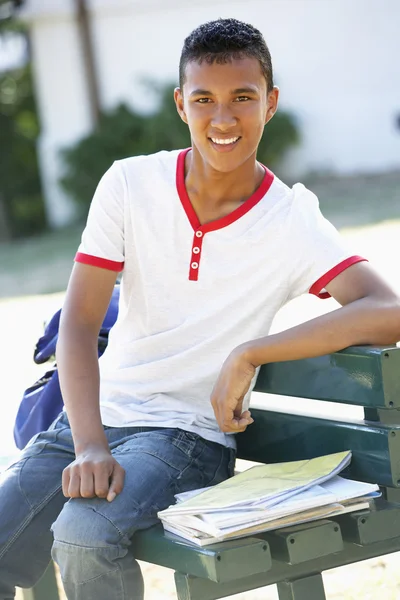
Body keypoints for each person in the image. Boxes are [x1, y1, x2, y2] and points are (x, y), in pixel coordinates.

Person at [1, 17, 399, 600]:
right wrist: (88, 444)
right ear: (180, 105)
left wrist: (251, 352)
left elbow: (386, 306)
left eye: (243, 98)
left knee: (84, 536)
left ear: (271, 103)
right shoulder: (130, 184)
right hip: (92, 421)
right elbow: (81, 324)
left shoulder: (291, 220)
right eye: (204, 99)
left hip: (186, 437)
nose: (223, 118)